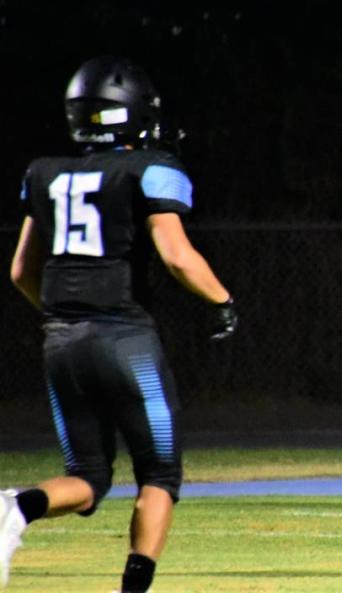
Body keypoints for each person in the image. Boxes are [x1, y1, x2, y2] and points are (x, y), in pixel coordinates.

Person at [0, 56, 238, 593]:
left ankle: (15, 506)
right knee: (159, 475)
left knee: (86, 475)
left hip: (59, 340)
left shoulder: (45, 173)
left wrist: (66, 318)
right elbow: (176, 255)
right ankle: (132, 591)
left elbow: (20, 271)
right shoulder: (149, 168)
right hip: (124, 339)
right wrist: (222, 300)